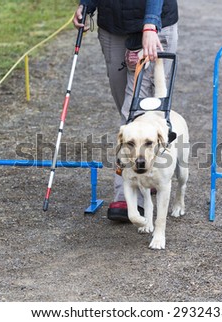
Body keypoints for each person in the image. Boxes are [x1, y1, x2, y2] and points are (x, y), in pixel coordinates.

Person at [72, 0, 178, 221]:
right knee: (125, 107)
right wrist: (87, 4)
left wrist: (150, 24)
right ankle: (148, 174)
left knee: (132, 112)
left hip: (152, 28)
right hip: (113, 26)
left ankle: (127, 193)